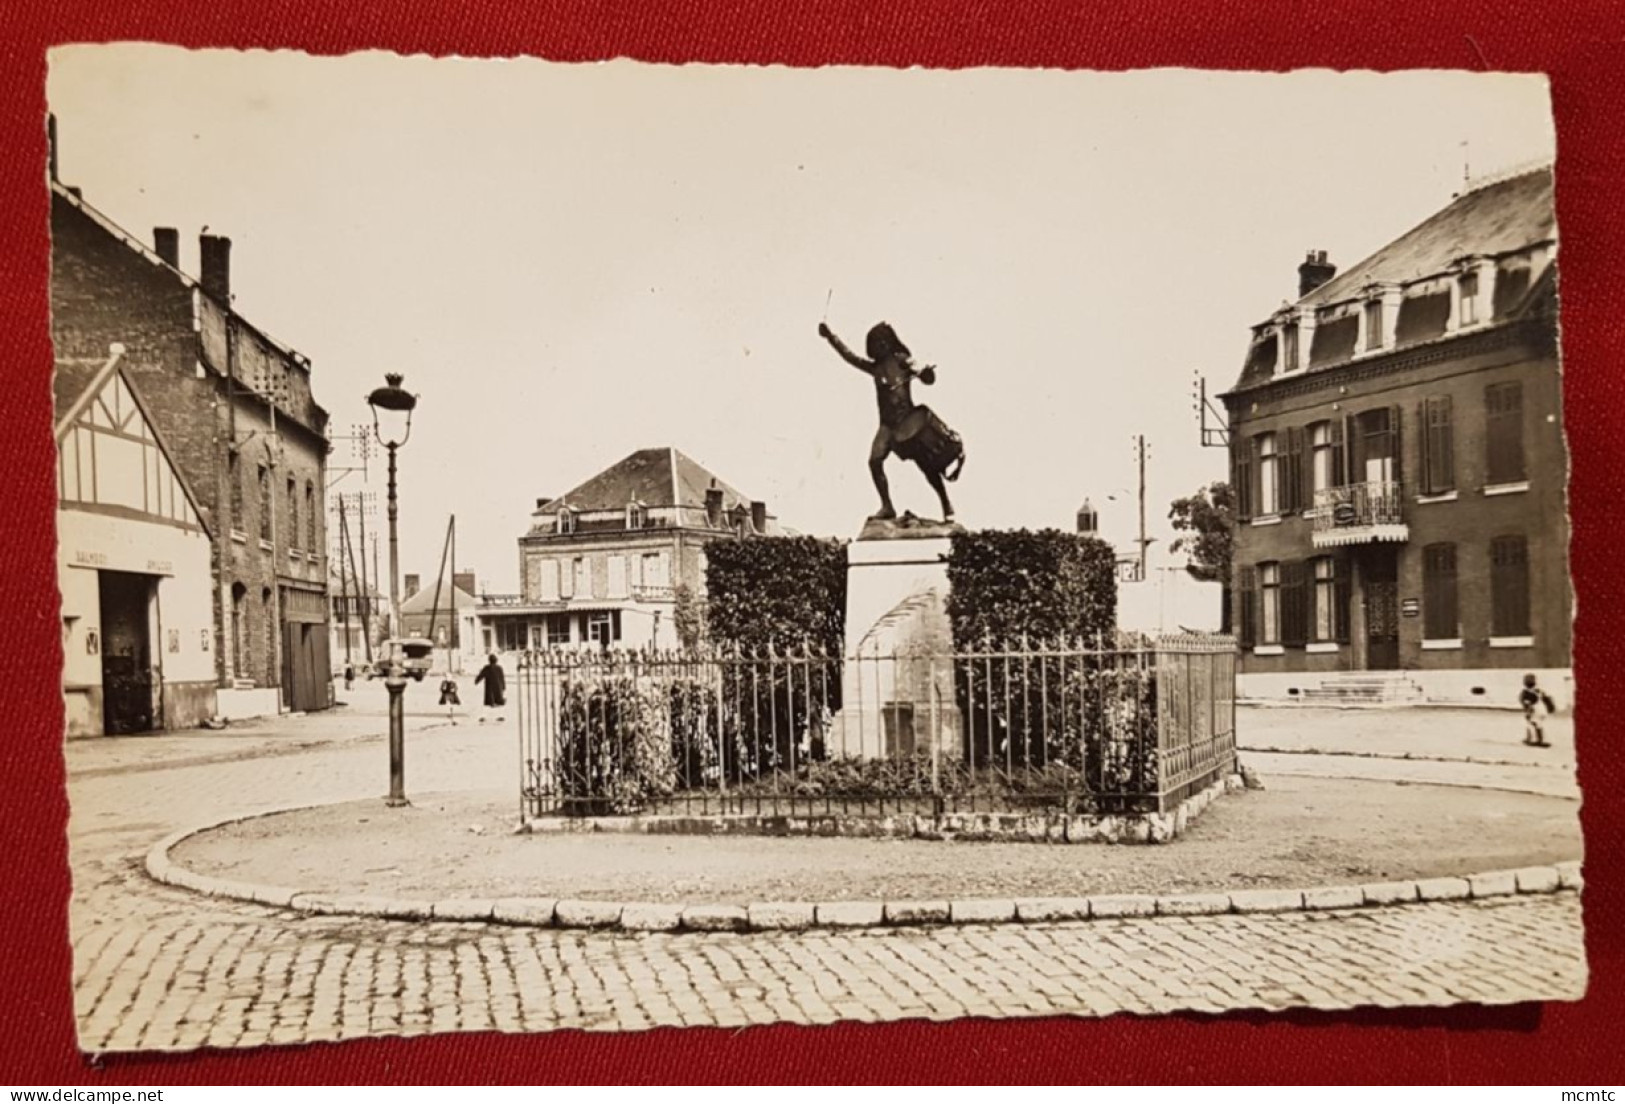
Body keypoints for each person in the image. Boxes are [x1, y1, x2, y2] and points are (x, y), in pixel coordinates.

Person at [818, 320, 959, 522]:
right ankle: (887, 506)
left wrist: (925, 374)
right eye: (875, 344)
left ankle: (946, 504)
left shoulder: (901, 360)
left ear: (888, 342)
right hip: (887, 426)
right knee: (874, 461)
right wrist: (831, 337)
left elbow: (923, 375)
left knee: (926, 466)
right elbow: (849, 357)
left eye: (880, 342)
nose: (878, 347)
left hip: (908, 422)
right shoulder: (875, 368)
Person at [1520, 672, 1555, 747]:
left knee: (1530, 724)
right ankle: (1539, 739)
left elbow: (1528, 704)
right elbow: (1547, 699)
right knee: (1539, 724)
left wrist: (1528, 712)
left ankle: (1531, 739)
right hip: (1542, 709)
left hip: (1535, 709)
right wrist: (1550, 708)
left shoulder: (1526, 692)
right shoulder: (1539, 690)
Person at [474, 653, 506, 724]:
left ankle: (484, 716)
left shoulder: (487, 668)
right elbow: (502, 678)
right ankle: (501, 716)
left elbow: (481, 675)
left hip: (490, 688)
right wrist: (503, 687)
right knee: (499, 703)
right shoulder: (499, 668)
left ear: (489, 660)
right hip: (498, 687)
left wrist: (476, 681)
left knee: (487, 703)